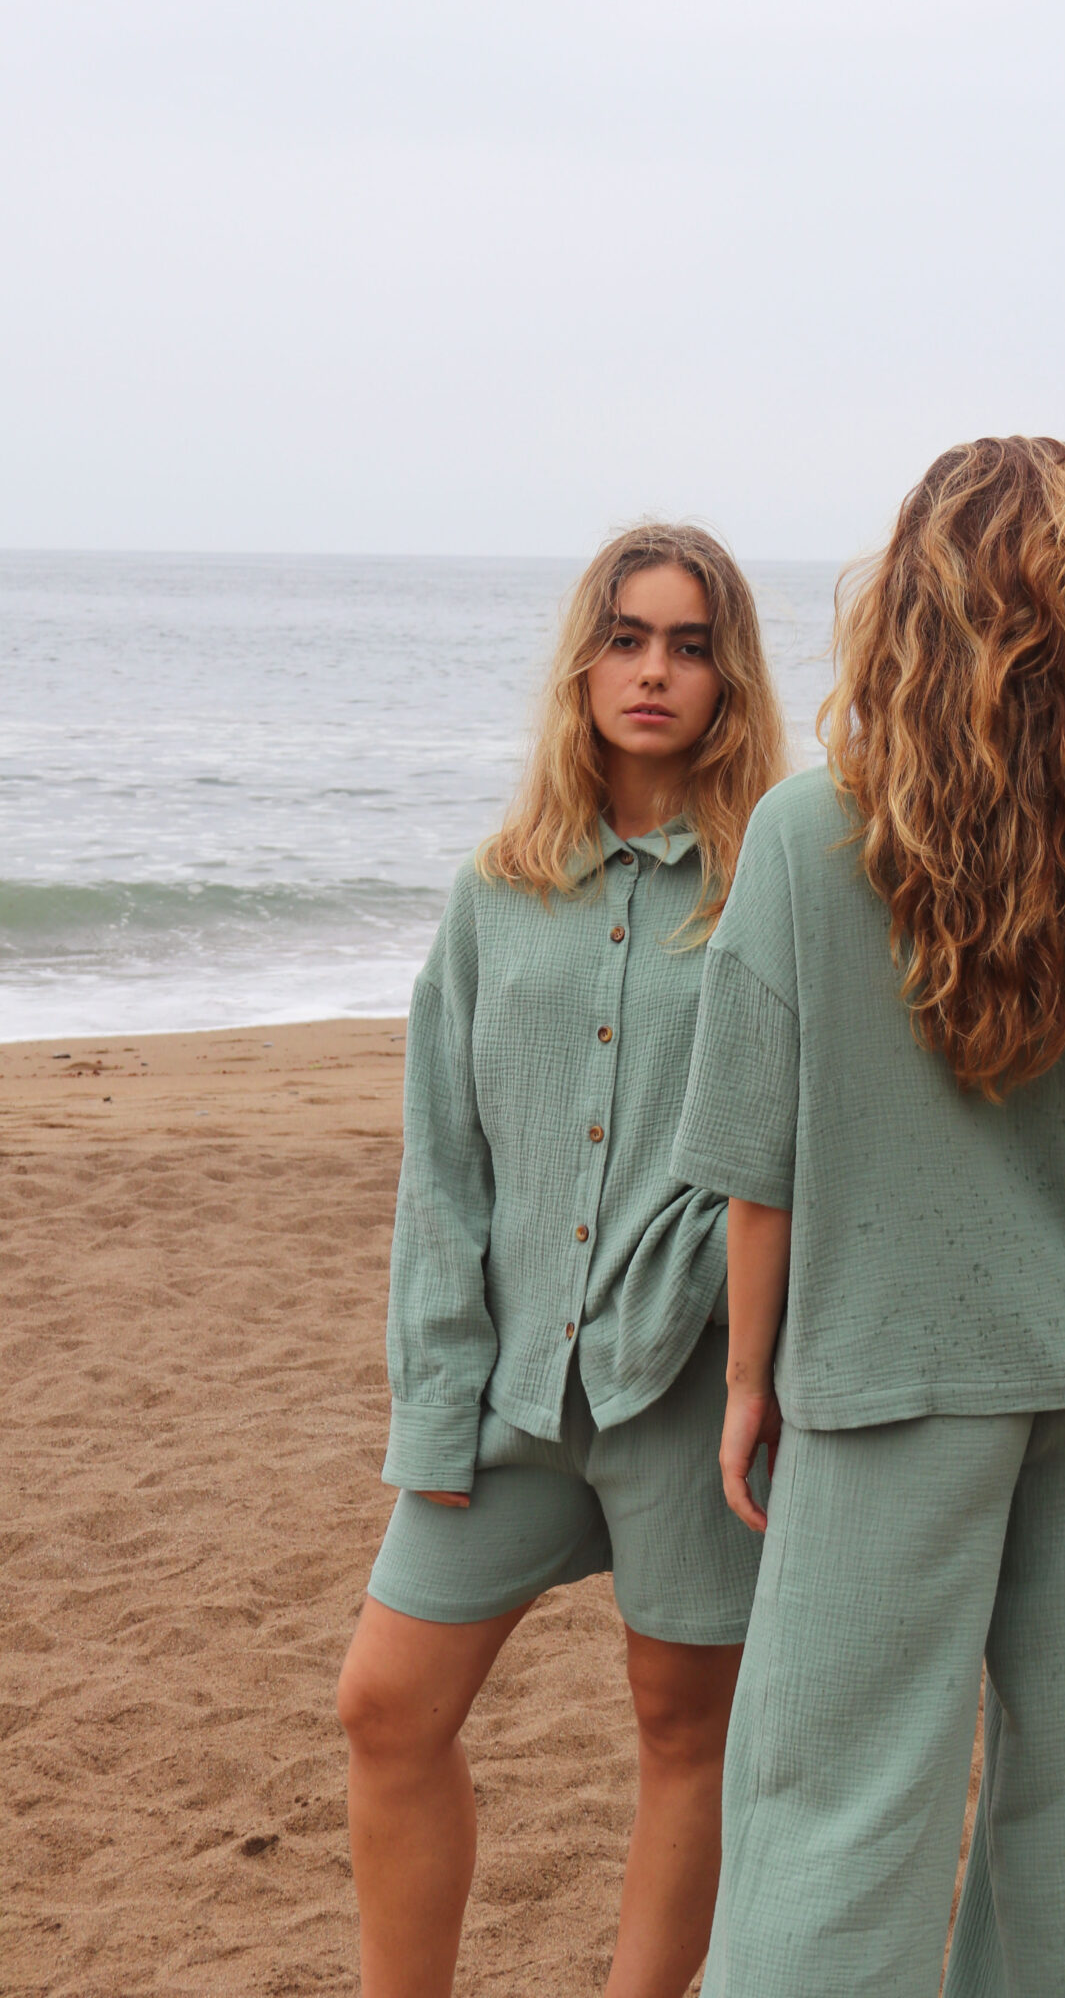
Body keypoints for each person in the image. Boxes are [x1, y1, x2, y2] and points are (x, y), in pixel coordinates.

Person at [669, 437, 1065, 1998]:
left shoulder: (803, 842)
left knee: (838, 1805)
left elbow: (759, 1171)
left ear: (908, 602)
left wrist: (748, 1381)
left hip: (886, 1385)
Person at [337, 524, 787, 1998]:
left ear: (729, 678)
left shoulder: (775, 887)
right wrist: (435, 1403)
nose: (655, 672)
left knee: (682, 1734)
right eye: (627, 639)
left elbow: (811, 1136)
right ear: (583, 665)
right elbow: (444, 1164)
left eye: (690, 646)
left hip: (695, 1396)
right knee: (386, 1707)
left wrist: (734, 1314)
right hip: (511, 1395)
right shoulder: (495, 891)